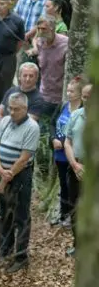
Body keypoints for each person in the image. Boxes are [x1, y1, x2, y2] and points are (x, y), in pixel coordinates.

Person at [0, 92, 40, 274]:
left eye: (16, 109)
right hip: (2, 171)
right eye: (10, 108)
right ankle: (5, 250)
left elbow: (23, 159)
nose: (12, 112)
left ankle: (20, 257)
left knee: (21, 216)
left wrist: (5, 177)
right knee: (4, 213)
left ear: (25, 109)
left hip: (19, 176)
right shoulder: (4, 122)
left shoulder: (32, 127)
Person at [50, 78, 82, 228]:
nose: (69, 94)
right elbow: (52, 123)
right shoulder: (63, 105)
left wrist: (65, 142)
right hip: (59, 154)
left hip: (74, 155)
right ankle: (63, 214)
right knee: (63, 185)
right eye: (67, 90)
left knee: (73, 187)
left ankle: (74, 217)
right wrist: (53, 139)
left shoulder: (82, 110)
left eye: (72, 91)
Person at [64, 83, 91, 257]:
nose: (88, 100)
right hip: (75, 168)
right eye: (85, 97)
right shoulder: (75, 116)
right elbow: (67, 142)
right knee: (75, 209)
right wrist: (74, 164)